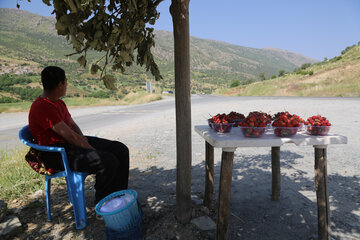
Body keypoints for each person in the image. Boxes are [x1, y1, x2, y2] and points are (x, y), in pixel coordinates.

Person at [28, 66, 129, 204]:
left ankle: (120, 195)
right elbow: (70, 136)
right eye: (66, 82)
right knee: (107, 160)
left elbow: (73, 126)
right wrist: (89, 148)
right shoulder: (42, 107)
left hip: (70, 144)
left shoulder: (58, 102)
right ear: (60, 84)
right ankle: (103, 203)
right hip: (56, 153)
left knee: (120, 149)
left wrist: (84, 140)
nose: (67, 85)